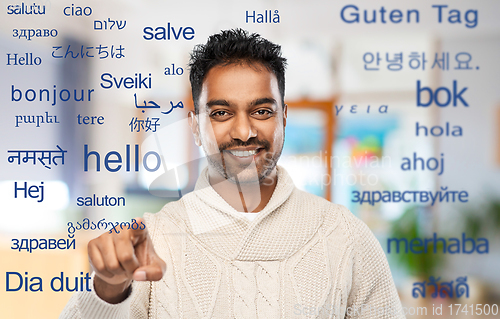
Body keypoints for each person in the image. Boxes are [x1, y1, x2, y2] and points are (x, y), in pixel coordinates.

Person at [60, 29, 404, 318]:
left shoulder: (346, 237)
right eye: (221, 113)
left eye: (261, 111)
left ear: (284, 117)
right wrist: (107, 289)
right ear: (195, 127)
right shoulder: (154, 240)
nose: (243, 131)